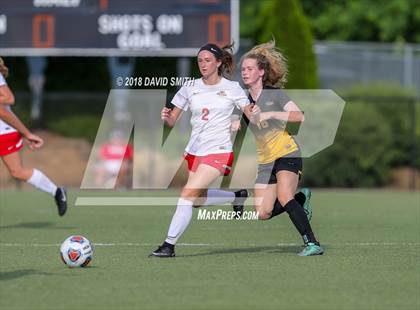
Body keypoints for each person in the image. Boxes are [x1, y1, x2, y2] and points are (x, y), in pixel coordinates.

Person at [149, 43, 257, 258]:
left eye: (208, 60)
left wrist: (248, 115)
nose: (203, 64)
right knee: (197, 200)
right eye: (200, 60)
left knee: (187, 194)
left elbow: (250, 113)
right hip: (195, 151)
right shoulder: (190, 87)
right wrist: (166, 116)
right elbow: (172, 120)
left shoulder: (232, 88)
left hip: (219, 150)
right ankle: (236, 196)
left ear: (218, 63)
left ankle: (168, 246)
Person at [239, 41, 323, 256]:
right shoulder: (244, 101)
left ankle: (312, 243)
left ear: (261, 72)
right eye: (242, 70)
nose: (245, 73)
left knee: (285, 197)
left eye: (249, 69)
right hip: (266, 160)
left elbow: (299, 116)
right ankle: (301, 200)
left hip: (287, 152)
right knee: (262, 212)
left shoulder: (274, 95)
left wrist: (271, 114)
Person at [0, 57, 67, 216]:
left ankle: (57, 192)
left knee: (17, 172)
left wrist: (27, 133)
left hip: (4, 132)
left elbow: (8, 100)